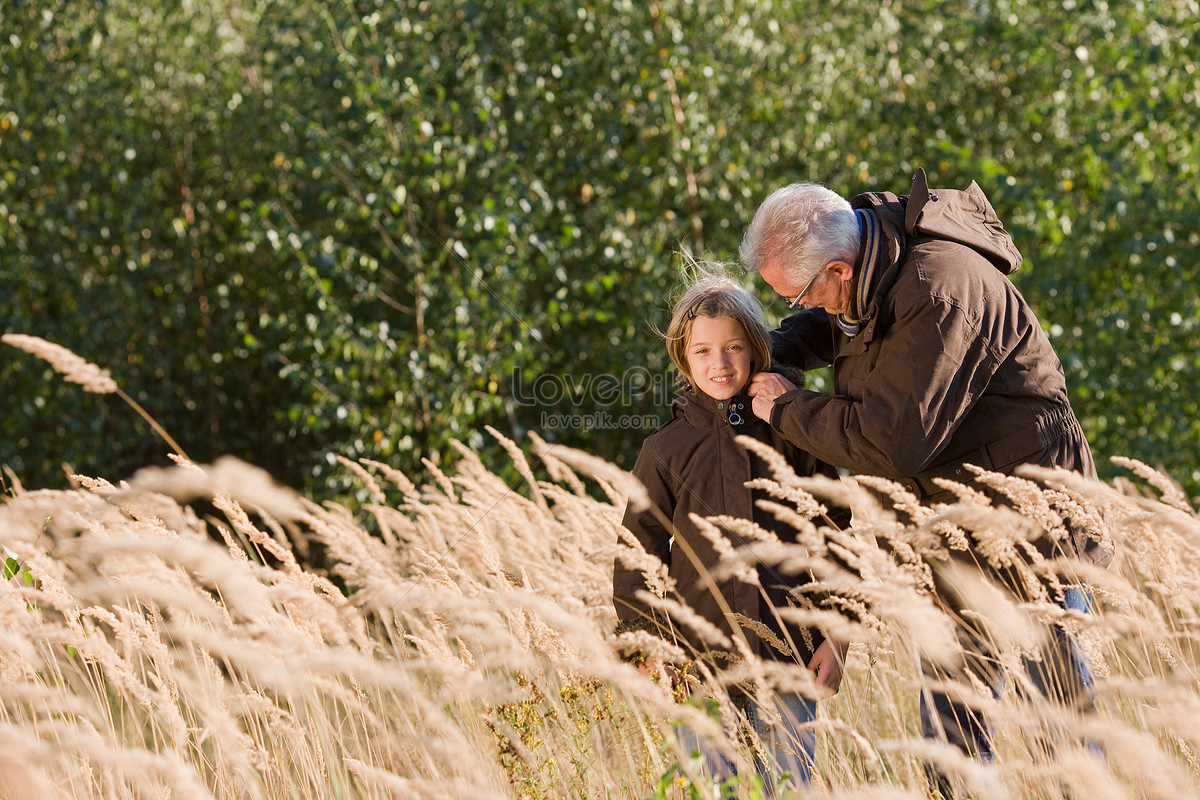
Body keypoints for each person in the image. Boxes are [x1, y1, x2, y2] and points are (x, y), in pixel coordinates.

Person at [739, 169, 1113, 795]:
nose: (798, 306)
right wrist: (755, 354)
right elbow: (832, 326)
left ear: (839, 270)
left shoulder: (941, 290)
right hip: (954, 537)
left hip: (1036, 535)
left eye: (797, 295)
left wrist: (784, 407)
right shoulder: (870, 257)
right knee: (952, 740)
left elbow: (892, 441)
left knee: (1060, 731)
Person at [613, 271, 848, 793]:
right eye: (702, 351)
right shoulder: (665, 451)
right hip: (697, 670)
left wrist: (840, 634)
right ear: (683, 357)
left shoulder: (792, 431)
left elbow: (836, 533)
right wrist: (654, 653)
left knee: (787, 789)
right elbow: (636, 556)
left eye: (734, 347)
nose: (719, 364)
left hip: (790, 658)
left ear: (757, 350)